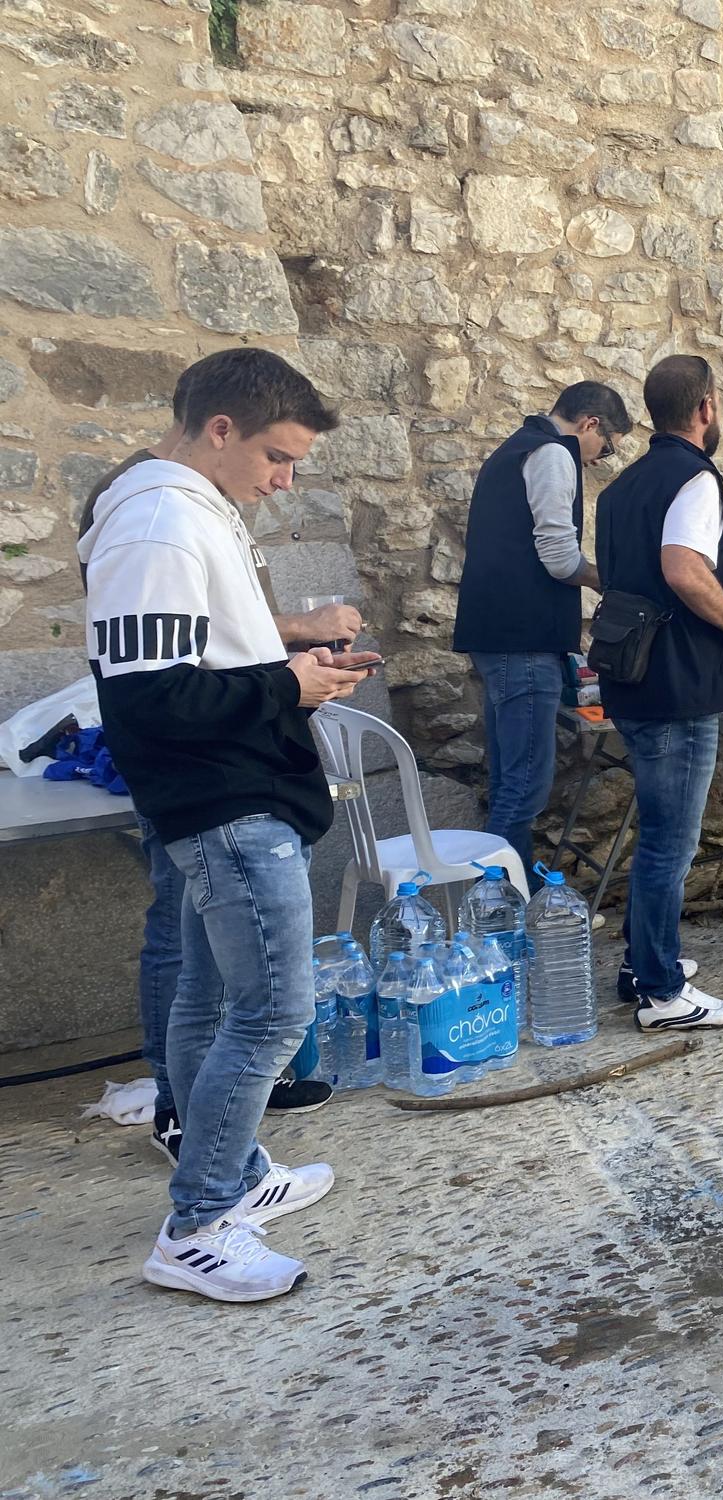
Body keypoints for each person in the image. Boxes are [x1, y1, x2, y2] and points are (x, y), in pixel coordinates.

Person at [80, 349, 373, 1301]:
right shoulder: (159, 520)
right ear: (219, 430)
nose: (284, 480)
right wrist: (290, 684)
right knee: (275, 1012)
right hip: (222, 802)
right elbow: (153, 699)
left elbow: (207, 652)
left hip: (237, 790)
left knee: (208, 1006)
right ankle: (199, 1222)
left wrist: (295, 660)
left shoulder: (191, 511)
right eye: (278, 458)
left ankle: (239, 1174)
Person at [594, 355, 723, 1032]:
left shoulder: (620, 488)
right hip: (677, 686)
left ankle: (640, 964)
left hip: (633, 678)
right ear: (706, 407)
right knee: (669, 842)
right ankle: (659, 992)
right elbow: (683, 571)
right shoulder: (695, 477)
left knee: (657, 834)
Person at [453, 382, 633, 879]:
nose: (602, 456)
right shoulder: (554, 453)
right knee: (524, 784)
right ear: (590, 424)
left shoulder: (515, 447)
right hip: (524, 639)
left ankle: (511, 890)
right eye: (608, 443)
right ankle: (509, 909)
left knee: (510, 776)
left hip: (497, 635)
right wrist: (614, 582)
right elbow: (558, 558)